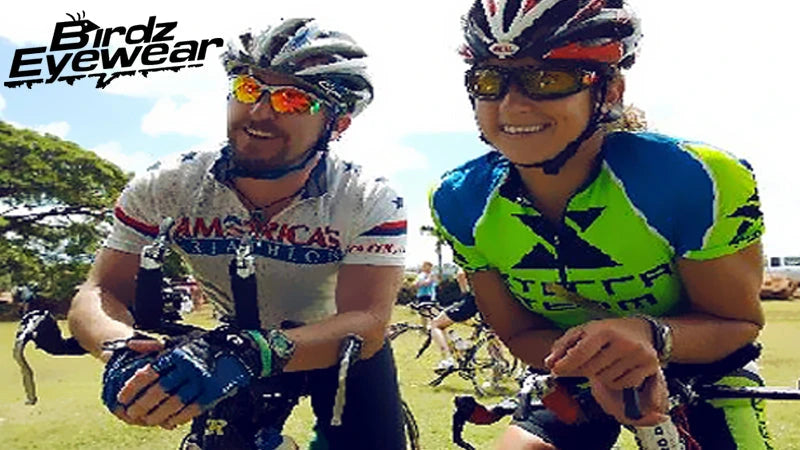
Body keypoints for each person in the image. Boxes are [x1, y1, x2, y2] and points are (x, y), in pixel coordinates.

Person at [430, 1, 770, 449]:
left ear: (609, 91)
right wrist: (594, 365)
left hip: (699, 364)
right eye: (489, 80)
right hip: (570, 370)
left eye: (547, 79)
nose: (511, 104)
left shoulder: (696, 178)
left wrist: (650, 335)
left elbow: (736, 322)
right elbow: (519, 333)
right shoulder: (460, 201)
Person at [68, 18, 408, 449]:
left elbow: (368, 323)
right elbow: (97, 292)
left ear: (337, 125)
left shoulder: (367, 198)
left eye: (291, 98)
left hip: (335, 344)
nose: (260, 113)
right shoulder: (170, 184)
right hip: (231, 341)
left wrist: (254, 353)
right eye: (249, 89)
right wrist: (119, 347)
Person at [429, 268, 478, 371]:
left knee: (436, 324)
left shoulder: (467, 257)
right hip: (494, 300)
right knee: (491, 333)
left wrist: (465, 293)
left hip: (475, 300)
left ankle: (447, 359)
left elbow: (461, 275)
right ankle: (498, 369)